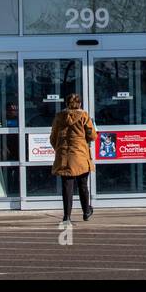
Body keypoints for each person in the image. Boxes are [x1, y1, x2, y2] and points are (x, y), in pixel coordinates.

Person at [49, 93, 95, 223]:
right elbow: (92, 136)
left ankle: (67, 216)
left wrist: (59, 149)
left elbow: (53, 137)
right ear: (79, 103)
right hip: (80, 154)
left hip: (64, 155)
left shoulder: (59, 117)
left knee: (67, 187)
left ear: (66, 103)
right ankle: (86, 211)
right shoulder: (84, 116)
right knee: (83, 185)